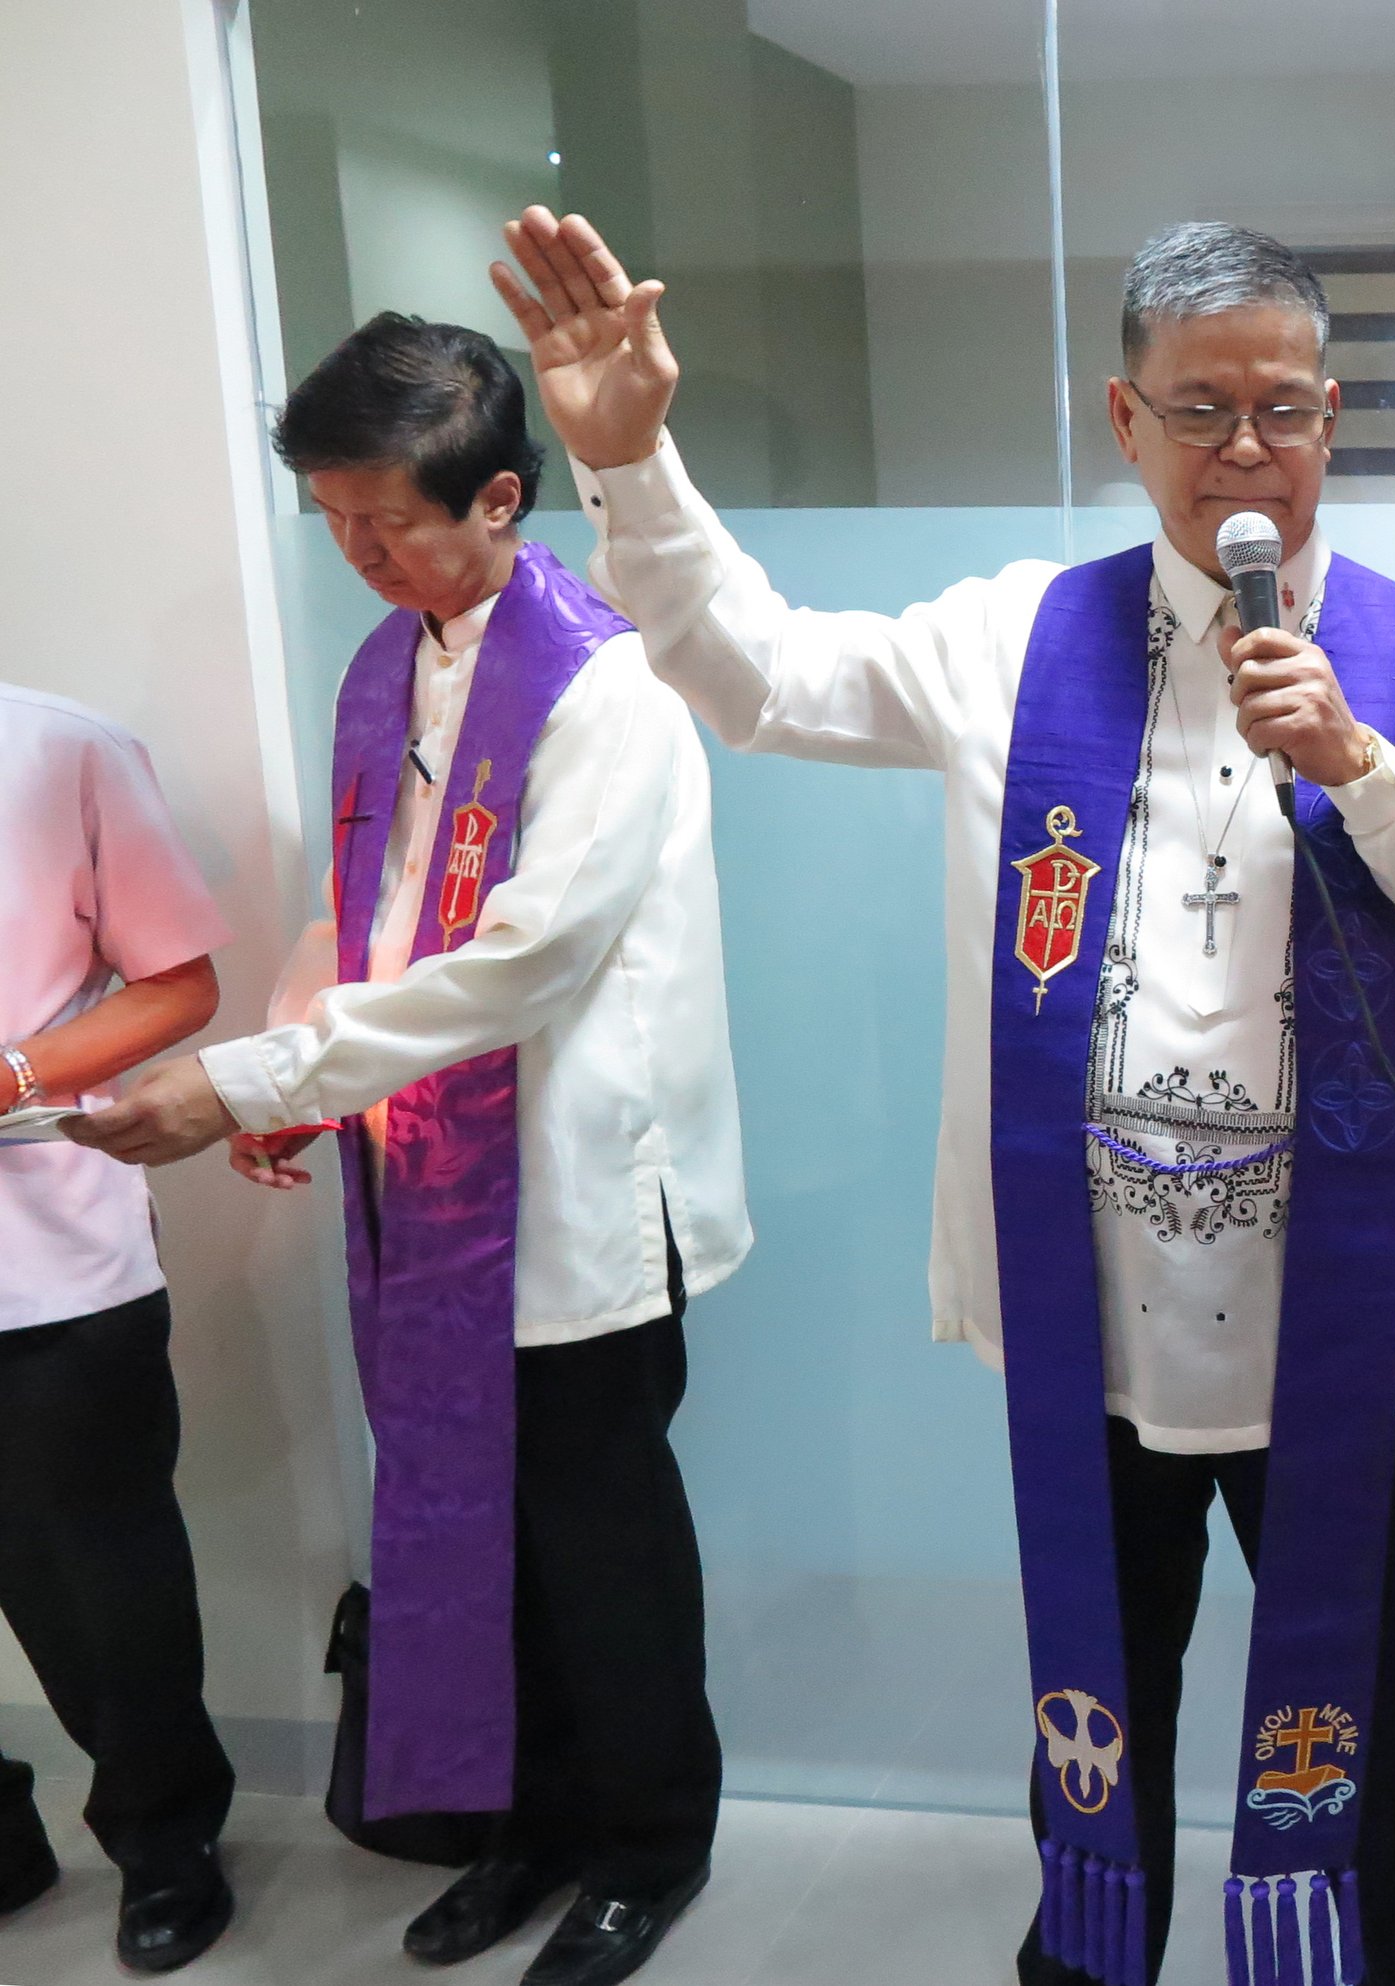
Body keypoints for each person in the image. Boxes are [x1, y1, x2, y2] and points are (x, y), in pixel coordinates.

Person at [490, 206, 1395, 1986]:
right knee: (1098, 1685)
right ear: (1123, 424)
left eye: (1283, 408)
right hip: (1098, 1324)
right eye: (1200, 408)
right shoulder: (1009, 637)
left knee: (1373, 1690)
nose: (1247, 451)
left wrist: (1363, 763)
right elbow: (754, 675)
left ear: (1333, 417)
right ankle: (1091, 1961)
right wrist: (628, 459)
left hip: (1335, 1325)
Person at [73, 314, 749, 1986]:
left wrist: (254, 1081)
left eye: (384, 519)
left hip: (582, 1198)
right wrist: (303, 1064)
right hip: (430, 1181)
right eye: (335, 520)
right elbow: (364, 909)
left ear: (501, 498)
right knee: (472, 1529)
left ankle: (650, 1845)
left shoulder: (604, 686)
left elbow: (522, 958)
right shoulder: (396, 662)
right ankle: (527, 1820)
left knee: (602, 1545)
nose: (357, 552)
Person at [0, 687, 236, 1973]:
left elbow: (179, 982)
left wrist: (16, 1073)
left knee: (100, 1570)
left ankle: (165, 1838)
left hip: (39, 1248)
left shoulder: (59, 749)